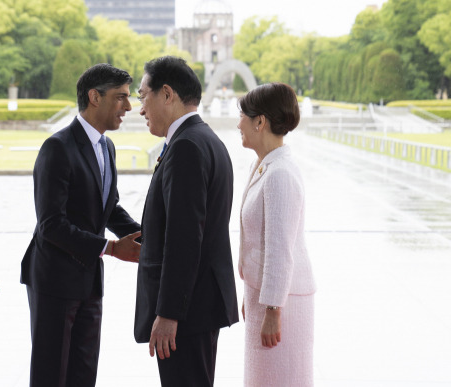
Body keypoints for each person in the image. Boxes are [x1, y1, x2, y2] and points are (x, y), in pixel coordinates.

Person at [20, 63, 142, 387]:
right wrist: (113, 248)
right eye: (121, 98)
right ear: (94, 97)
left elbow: (108, 207)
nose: (129, 107)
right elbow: (51, 224)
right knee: (52, 376)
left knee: (83, 375)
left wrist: (147, 237)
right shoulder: (57, 148)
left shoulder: (107, 146)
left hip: (90, 281)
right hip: (54, 281)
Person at [134, 56, 239, 387]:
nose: (140, 108)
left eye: (142, 96)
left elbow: (184, 239)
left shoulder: (187, 147)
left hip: (187, 312)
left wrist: (168, 314)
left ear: (167, 94)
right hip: (198, 305)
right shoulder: (202, 138)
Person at [237, 83, 317, 386]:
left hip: (283, 303)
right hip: (266, 297)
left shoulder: (280, 173)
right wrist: (254, 293)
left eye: (243, 115)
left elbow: (279, 249)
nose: (238, 123)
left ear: (260, 122)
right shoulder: (264, 165)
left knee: (279, 379)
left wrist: (272, 307)